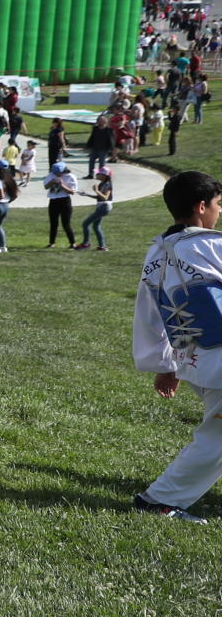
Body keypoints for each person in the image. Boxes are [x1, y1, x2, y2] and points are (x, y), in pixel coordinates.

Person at [131, 170, 222, 523]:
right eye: (217, 204)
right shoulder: (213, 245)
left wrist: (165, 364)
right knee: (216, 438)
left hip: (192, 359)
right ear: (201, 206)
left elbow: (149, 313)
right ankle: (159, 500)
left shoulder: (157, 252)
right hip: (217, 358)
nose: (218, 211)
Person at [43, 161, 78, 248]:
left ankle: (72, 243)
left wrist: (62, 185)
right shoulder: (51, 175)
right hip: (53, 201)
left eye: (59, 173)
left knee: (66, 223)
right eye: (55, 173)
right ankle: (52, 243)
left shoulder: (70, 177)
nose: (57, 175)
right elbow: (45, 187)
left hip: (65, 201)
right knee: (53, 223)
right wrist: (51, 182)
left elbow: (72, 191)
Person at [77, 167, 113, 251]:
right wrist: (86, 194)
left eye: (98, 173)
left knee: (85, 224)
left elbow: (105, 197)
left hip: (104, 207)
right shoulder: (103, 183)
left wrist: (96, 190)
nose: (96, 174)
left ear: (104, 175)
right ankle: (102, 247)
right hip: (101, 206)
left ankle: (86, 244)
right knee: (96, 226)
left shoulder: (107, 184)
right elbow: (99, 197)